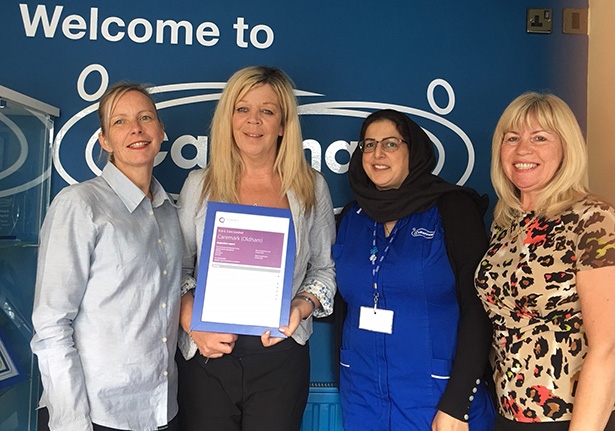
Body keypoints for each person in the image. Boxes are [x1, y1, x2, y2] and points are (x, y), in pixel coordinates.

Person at [176, 65, 336, 431]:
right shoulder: (199, 185)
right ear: (228, 117)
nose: (254, 121)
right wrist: (191, 322)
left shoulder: (310, 187)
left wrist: (302, 305)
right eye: (242, 108)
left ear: (283, 124)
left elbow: (324, 268)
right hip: (207, 355)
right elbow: (178, 268)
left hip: (280, 356)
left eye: (267, 111)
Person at [475, 92, 615, 431]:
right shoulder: (505, 224)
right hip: (510, 412)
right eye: (512, 138)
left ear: (566, 148)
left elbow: (610, 346)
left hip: (577, 416)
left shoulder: (593, 219)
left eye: (540, 138)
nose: (523, 150)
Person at [31, 82, 182, 431]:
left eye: (146, 118)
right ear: (104, 140)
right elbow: (52, 324)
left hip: (161, 409)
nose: (136, 129)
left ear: (161, 132)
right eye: (120, 122)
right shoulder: (80, 205)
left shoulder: (168, 213)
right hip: (96, 414)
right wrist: (71, 422)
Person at [332, 109, 495, 430]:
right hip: (363, 395)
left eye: (391, 144)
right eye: (369, 144)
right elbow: (340, 304)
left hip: (436, 395)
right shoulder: (353, 216)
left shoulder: (452, 208)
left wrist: (458, 402)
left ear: (413, 151)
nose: (377, 154)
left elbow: (479, 309)